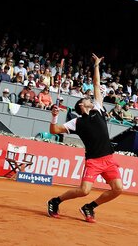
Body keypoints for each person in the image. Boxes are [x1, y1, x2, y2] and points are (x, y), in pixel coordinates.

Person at [46, 54, 123, 223]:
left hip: (108, 158)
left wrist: (96, 65)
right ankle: (55, 201)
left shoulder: (98, 109)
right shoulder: (76, 122)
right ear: (81, 105)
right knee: (84, 190)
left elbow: (96, 84)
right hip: (94, 161)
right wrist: (54, 116)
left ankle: (89, 207)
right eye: (86, 99)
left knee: (118, 189)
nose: (90, 98)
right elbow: (54, 130)